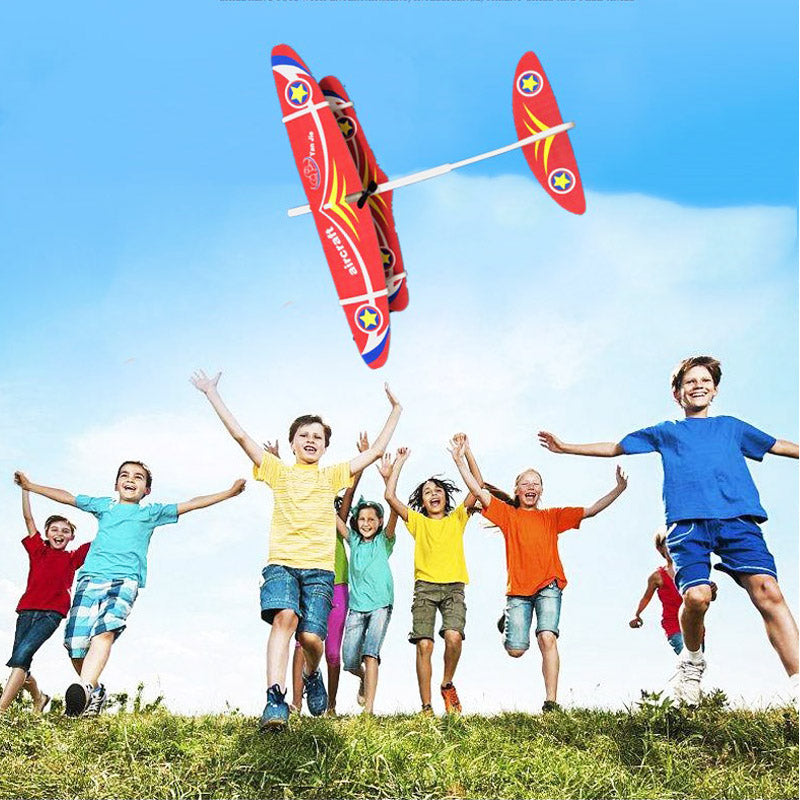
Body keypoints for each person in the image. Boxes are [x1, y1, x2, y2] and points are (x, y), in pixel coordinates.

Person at [539, 355, 799, 704]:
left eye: (705, 380)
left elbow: (777, 445)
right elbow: (616, 446)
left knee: (769, 591)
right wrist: (565, 447)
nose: (699, 386)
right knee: (697, 597)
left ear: (715, 389)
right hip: (688, 525)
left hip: (738, 520)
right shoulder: (667, 432)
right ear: (678, 394)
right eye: (690, 382)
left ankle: (797, 679)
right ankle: (692, 662)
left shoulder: (732, 427)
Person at [191, 370, 401, 730]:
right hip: (282, 565)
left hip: (320, 570)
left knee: (310, 638)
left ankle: (312, 672)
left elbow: (377, 451)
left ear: (325, 446)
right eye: (303, 435)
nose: (310, 439)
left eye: (317, 436)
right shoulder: (277, 471)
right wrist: (211, 393)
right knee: (284, 619)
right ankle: (275, 699)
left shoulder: (333, 475)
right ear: (291, 444)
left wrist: (396, 409)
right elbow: (241, 436)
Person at [14, 462, 246, 717]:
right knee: (75, 644)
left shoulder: (151, 513)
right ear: (116, 484)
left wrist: (228, 492)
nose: (130, 479)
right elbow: (67, 497)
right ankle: (95, 691)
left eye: (138, 477)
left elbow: (192, 503)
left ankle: (85, 686)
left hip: (124, 580)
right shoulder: (104, 506)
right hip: (89, 580)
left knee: (104, 631)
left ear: (147, 489)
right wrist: (31, 486)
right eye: (124, 475)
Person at [450, 436, 627, 712]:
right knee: (516, 650)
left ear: (541, 490)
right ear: (517, 490)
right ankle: (510, 620)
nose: (530, 487)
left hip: (549, 584)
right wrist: (460, 460)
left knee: (547, 637)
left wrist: (618, 489)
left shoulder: (553, 517)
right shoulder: (507, 515)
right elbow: (478, 488)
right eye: (525, 483)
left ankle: (551, 703)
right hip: (519, 591)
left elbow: (590, 510)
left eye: (536, 483)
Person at [384, 437, 481, 715]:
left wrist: (464, 455)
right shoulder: (418, 522)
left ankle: (447, 684)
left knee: (453, 637)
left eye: (438, 490)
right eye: (427, 492)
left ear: (446, 497)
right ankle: (426, 707)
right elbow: (390, 498)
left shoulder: (458, 518)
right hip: (425, 589)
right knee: (424, 644)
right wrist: (399, 463)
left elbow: (479, 485)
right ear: (422, 502)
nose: (434, 494)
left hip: (453, 588)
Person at [282, 434, 369, 716]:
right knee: (301, 643)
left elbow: (351, 492)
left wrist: (364, 462)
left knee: (332, 652)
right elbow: (292, 487)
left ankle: (330, 706)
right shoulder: (302, 513)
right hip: (307, 583)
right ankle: (295, 703)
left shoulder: (336, 517)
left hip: (338, 585)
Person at [1, 482, 89, 715]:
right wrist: (25, 489)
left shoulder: (73, 557)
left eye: (65, 531)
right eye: (54, 529)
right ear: (47, 533)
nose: (59, 533)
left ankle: (1, 708)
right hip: (26, 609)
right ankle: (39, 698)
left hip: (52, 613)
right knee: (21, 660)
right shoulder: (38, 550)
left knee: (22, 655)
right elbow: (29, 519)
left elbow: (103, 540)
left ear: (71, 537)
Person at [338, 452, 399, 715]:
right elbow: (333, 518)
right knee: (350, 660)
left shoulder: (384, 542)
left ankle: (369, 710)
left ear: (379, 522)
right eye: (362, 519)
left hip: (381, 605)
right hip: (356, 606)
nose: (366, 523)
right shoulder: (352, 540)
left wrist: (389, 479)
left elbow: (395, 507)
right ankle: (362, 678)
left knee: (370, 653)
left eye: (371, 520)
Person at [629, 528, 717, 655]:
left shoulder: (691, 570)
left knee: (697, 662)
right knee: (688, 657)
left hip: (695, 625)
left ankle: (683, 674)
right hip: (674, 626)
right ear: (660, 548)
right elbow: (646, 597)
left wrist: (712, 591)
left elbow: (708, 598)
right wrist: (637, 614)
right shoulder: (657, 576)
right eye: (668, 542)